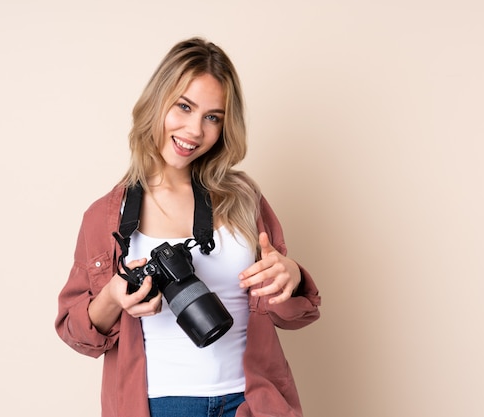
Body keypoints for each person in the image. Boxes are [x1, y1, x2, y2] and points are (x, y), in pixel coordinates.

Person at [55, 37, 321, 417]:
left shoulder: (244, 199)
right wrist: (114, 296)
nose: (195, 131)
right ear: (156, 102)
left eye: (212, 117)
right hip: (160, 404)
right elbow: (77, 335)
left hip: (252, 401)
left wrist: (290, 276)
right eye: (184, 107)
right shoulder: (106, 217)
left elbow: (295, 315)